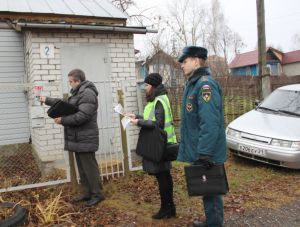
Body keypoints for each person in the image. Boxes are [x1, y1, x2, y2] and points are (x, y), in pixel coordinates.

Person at [177, 46, 227, 227]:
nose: (182, 65)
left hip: (207, 151)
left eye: (185, 61)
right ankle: (212, 222)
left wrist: (204, 152)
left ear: (196, 61)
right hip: (201, 148)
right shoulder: (194, 83)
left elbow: (210, 122)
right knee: (208, 190)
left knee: (212, 190)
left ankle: (214, 224)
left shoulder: (205, 85)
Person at [40, 69, 104, 207]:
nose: (69, 85)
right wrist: (47, 100)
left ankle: (97, 194)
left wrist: (62, 120)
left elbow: (83, 116)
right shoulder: (77, 93)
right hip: (78, 137)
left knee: (90, 168)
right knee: (82, 168)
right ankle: (87, 193)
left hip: (85, 137)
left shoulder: (87, 93)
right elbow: (64, 105)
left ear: (78, 81)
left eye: (70, 82)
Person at [129, 73, 177, 219]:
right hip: (161, 144)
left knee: (163, 177)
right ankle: (170, 208)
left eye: (147, 85)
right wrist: (137, 117)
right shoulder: (157, 99)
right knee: (164, 176)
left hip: (161, 145)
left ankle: (166, 209)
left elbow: (158, 123)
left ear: (154, 86)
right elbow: (152, 118)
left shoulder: (159, 100)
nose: (145, 88)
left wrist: (139, 123)